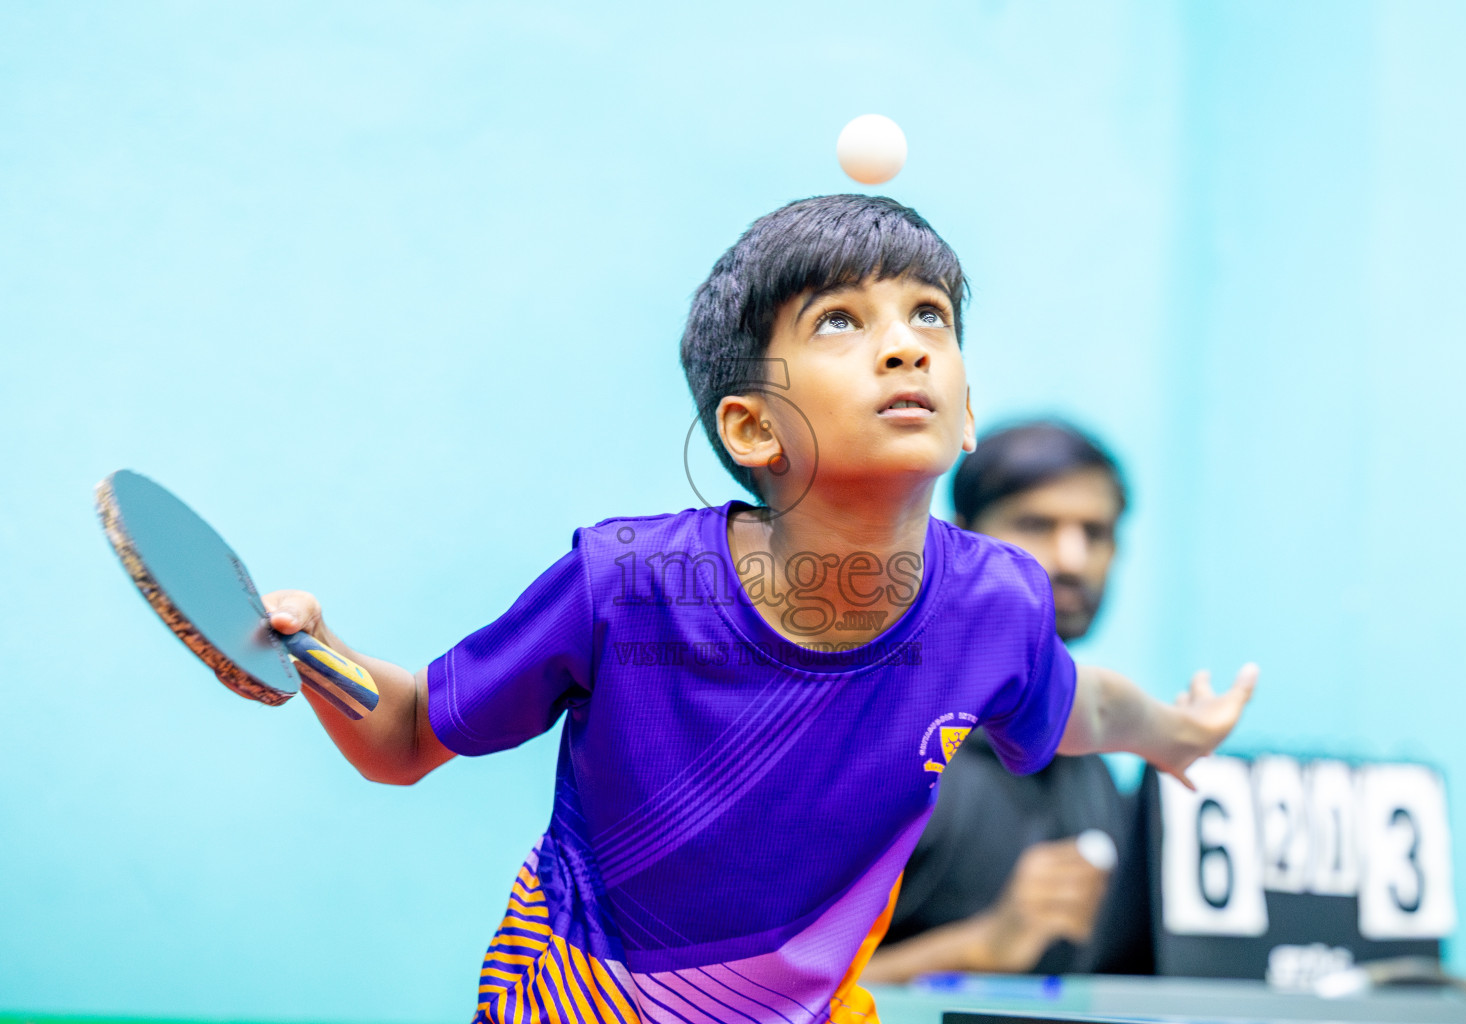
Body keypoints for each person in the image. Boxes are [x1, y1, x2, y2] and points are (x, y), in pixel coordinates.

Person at [261, 195, 1257, 1024]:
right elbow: (401, 736)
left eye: (930, 317)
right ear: (751, 425)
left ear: (964, 415)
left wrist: (1174, 733)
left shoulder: (996, 605)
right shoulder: (627, 584)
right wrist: (312, 650)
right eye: (841, 321)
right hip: (575, 1003)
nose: (906, 346)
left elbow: (1086, 708)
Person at [864, 421, 1154, 983]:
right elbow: (742, 1000)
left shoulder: (1087, 765)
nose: (1072, 559)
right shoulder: (873, 737)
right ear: (959, 538)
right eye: (1037, 525)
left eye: (1094, 532)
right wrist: (977, 947)